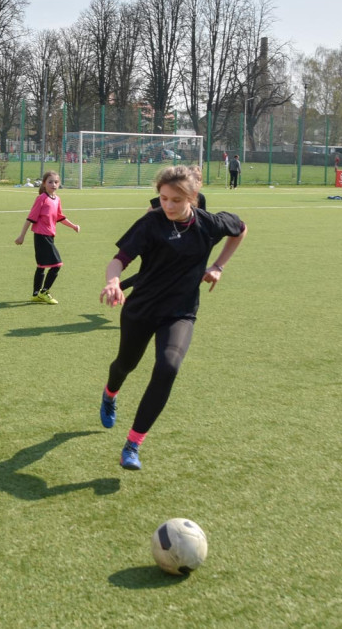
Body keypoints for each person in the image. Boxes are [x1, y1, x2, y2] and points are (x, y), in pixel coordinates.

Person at [98, 165, 247, 470]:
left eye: (175, 200)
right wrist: (113, 281)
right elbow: (119, 260)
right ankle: (110, 393)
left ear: (192, 197)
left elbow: (240, 228)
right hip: (141, 309)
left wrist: (218, 266)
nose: (168, 205)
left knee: (168, 367)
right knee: (125, 364)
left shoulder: (210, 224)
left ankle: (133, 444)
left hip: (180, 312)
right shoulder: (151, 223)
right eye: (163, 198)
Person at [15, 171, 80, 304]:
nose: (53, 184)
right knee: (57, 264)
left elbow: (60, 217)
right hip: (41, 236)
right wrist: (21, 236)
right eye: (50, 182)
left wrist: (73, 226)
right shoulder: (41, 199)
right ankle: (44, 291)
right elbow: (30, 218)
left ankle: (35, 294)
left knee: (41, 266)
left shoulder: (57, 199)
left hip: (49, 236)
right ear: (44, 184)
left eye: (56, 182)